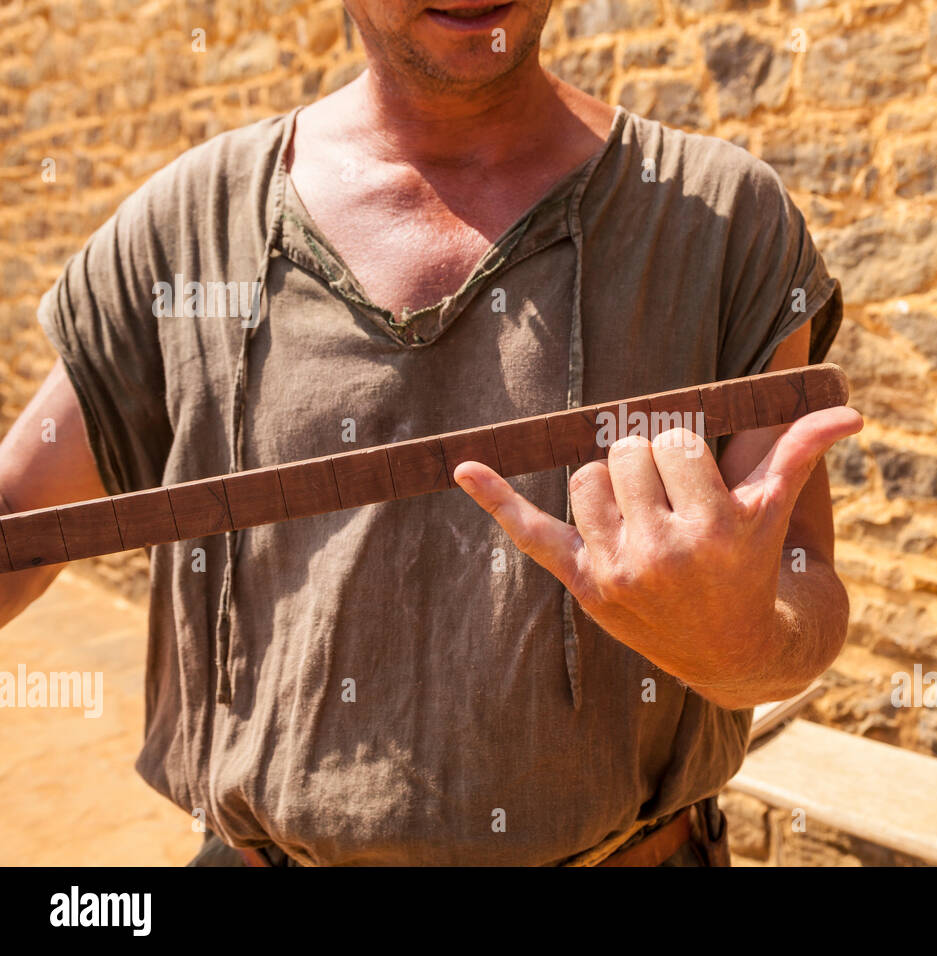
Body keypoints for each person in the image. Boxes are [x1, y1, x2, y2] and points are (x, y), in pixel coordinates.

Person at [0, 0, 862, 866]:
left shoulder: (722, 221)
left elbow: (805, 591)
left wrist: (738, 643)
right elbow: (20, 517)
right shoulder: (187, 231)